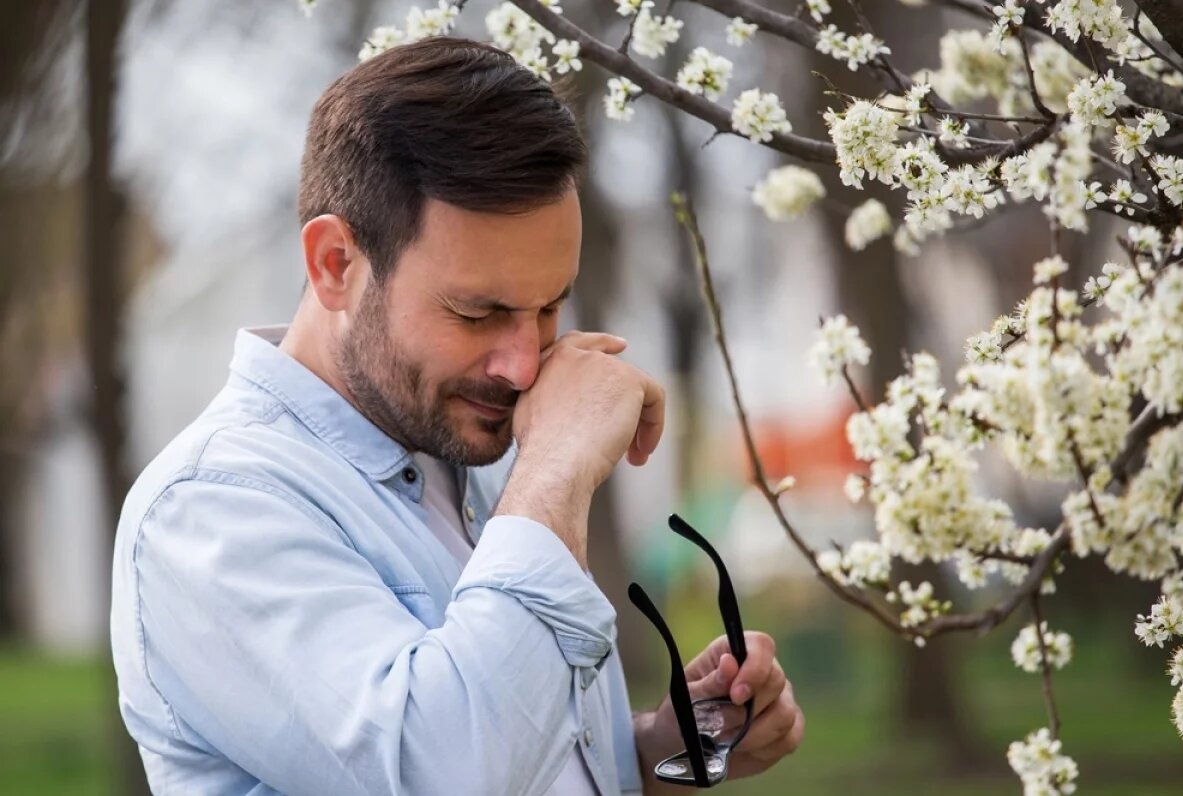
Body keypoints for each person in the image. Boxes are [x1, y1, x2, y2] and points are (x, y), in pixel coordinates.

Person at [110, 36, 804, 795]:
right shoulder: (211, 510)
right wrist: (555, 473)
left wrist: (649, 751)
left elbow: (508, 746)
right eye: (478, 313)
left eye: (549, 307)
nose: (524, 365)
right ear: (335, 264)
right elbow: (441, 773)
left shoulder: (476, 451)